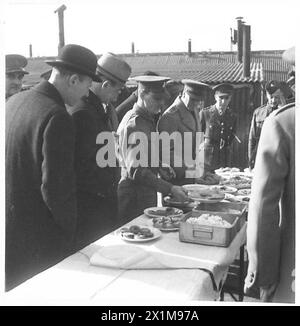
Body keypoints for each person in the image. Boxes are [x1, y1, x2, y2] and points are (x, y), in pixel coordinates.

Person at [5, 44, 99, 291]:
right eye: (87, 86)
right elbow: (56, 190)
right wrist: (72, 237)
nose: (86, 94)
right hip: (39, 244)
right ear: (74, 79)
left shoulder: (13, 102)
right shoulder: (57, 117)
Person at [244, 46, 295, 303]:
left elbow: (265, 206)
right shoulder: (262, 114)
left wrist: (262, 274)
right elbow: (252, 141)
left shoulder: (285, 121)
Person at [67, 52, 132, 248]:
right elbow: (83, 169)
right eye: (118, 90)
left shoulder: (97, 110)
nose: (118, 95)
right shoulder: (83, 113)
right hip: (91, 210)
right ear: (105, 85)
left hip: (99, 205)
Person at [117, 75, 188, 223]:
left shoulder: (146, 119)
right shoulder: (135, 123)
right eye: (156, 99)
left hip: (144, 195)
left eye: (163, 99)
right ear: (142, 94)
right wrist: (170, 188)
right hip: (133, 199)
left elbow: (144, 156)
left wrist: (159, 165)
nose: (162, 103)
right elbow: (136, 170)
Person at [157, 79, 211, 185]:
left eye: (198, 100)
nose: (195, 103)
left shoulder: (194, 111)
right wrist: (190, 174)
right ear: (184, 93)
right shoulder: (171, 116)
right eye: (193, 99)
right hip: (176, 179)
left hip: (192, 176)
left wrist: (202, 171)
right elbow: (166, 153)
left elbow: (198, 145)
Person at [248, 80, 287, 170]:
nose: (273, 100)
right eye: (271, 97)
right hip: (261, 154)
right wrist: (251, 160)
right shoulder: (258, 112)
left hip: (279, 156)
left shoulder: (286, 112)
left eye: (277, 97)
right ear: (266, 95)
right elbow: (252, 139)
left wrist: (284, 109)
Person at [199, 83, 237, 172]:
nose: (223, 101)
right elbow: (198, 136)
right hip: (207, 159)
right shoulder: (205, 113)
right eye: (221, 98)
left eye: (227, 98)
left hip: (224, 158)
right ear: (215, 97)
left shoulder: (232, 116)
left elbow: (232, 136)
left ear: (230, 98)